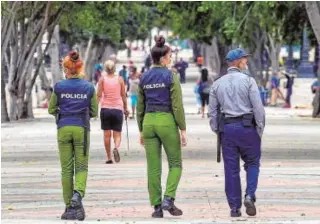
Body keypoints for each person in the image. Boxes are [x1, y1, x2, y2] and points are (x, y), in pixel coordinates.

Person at [208, 48, 265, 217]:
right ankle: (249, 195)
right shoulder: (249, 81)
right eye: (244, 60)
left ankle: (234, 208)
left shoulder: (217, 83)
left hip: (228, 129)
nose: (246, 62)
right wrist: (259, 129)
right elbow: (258, 108)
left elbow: (212, 112)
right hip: (248, 128)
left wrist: (217, 130)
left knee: (231, 169)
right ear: (237, 62)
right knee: (253, 163)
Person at [136, 36, 187, 218]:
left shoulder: (144, 77)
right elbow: (177, 106)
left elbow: (139, 107)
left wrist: (141, 129)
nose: (171, 58)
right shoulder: (171, 76)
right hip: (166, 121)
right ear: (163, 58)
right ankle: (169, 198)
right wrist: (182, 128)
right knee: (175, 164)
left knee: (153, 167)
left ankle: (157, 208)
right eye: (170, 56)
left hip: (148, 121)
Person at [48, 51, 98, 221]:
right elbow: (94, 111)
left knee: (66, 170)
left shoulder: (59, 87)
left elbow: (51, 109)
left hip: (63, 128)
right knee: (81, 167)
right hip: (82, 129)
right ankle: (78, 193)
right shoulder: (89, 87)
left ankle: (69, 207)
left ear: (66, 69)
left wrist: (62, 112)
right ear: (80, 68)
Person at [97, 60, 129, 164]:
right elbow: (123, 95)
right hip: (117, 110)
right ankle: (116, 147)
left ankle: (108, 157)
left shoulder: (102, 79)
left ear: (105, 69)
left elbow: (99, 95)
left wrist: (93, 108)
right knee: (117, 134)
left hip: (105, 109)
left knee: (107, 135)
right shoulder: (120, 79)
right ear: (114, 68)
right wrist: (126, 108)